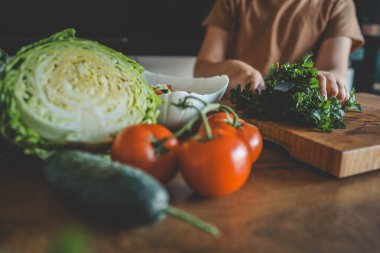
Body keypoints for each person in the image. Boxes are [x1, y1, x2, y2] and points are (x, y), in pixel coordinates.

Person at [194, 0, 365, 102]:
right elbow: (202, 69)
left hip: (297, 124)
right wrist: (231, 70)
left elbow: (334, 71)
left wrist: (329, 79)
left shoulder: (337, 4)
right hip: (234, 117)